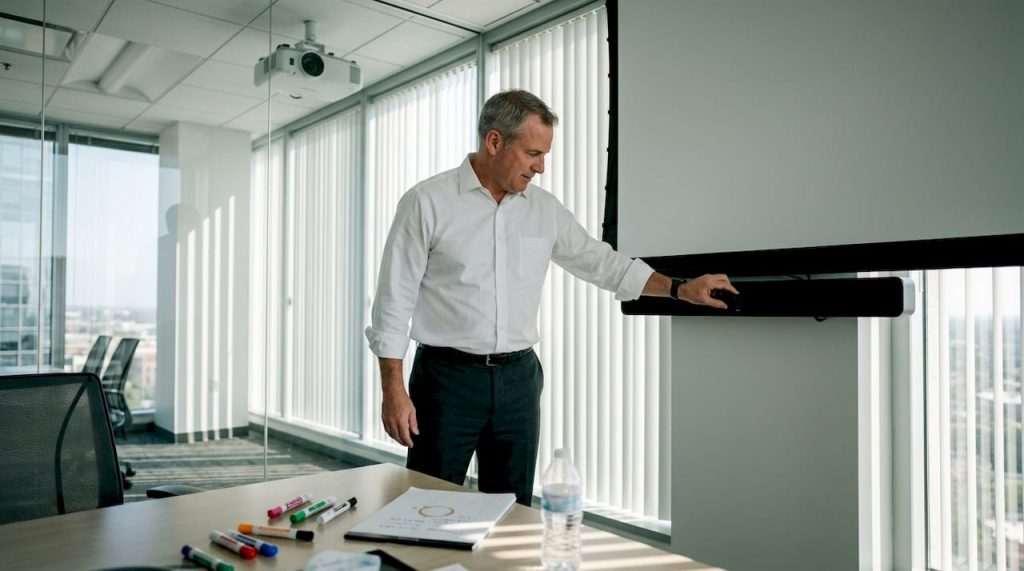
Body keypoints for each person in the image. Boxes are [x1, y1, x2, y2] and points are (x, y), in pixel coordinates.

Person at [365, 89, 738, 506]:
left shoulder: (545, 210)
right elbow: (392, 302)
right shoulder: (427, 202)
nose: (540, 167)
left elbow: (600, 262)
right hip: (446, 382)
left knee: (511, 511)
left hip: (519, 382)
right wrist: (393, 391)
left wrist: (678, 288)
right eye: (532, 153)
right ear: (494, 142)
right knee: (426, 506)